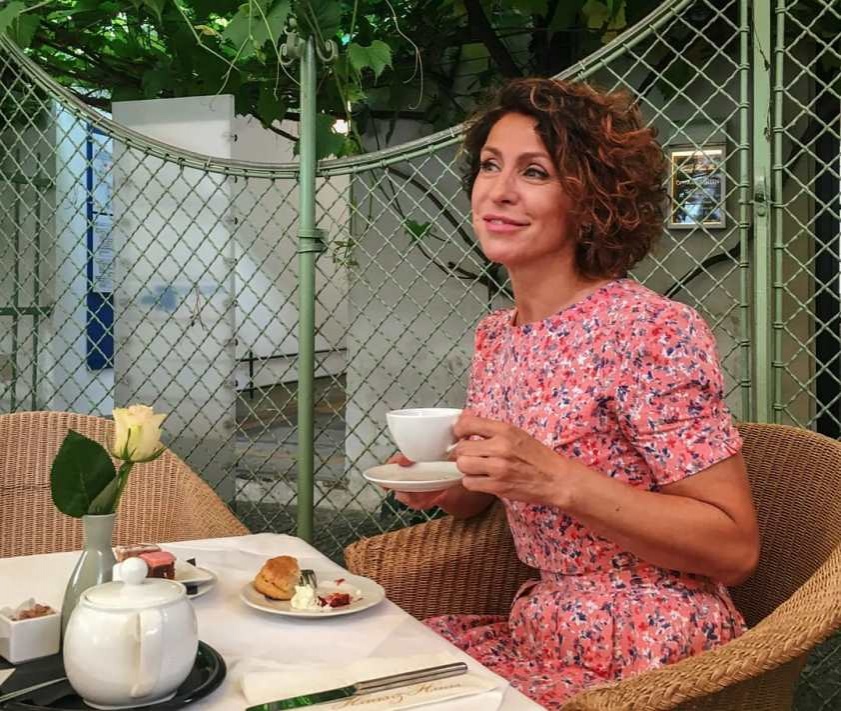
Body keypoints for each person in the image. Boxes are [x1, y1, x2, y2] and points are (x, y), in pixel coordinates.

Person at [389, 78, 760, 709]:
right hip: (540, 625)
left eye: (534, 172)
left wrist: (555, 478)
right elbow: (489, 497)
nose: (498, 191)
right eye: (490, 166)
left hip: (649, 644)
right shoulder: (497, 335)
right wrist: (447, 484)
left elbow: (734, 547)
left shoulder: (648, 330)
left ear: (592, 199)